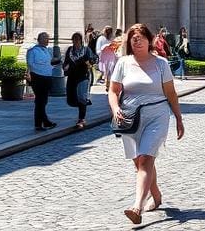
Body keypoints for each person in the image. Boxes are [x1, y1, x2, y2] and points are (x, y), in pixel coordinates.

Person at [108, 23, 185, 226]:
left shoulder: (161, 64)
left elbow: (171, 93)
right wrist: (115, 109)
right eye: (133, 38)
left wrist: (178, 118)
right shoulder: (123, 63)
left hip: (156, 116)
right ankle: (156, 195)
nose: (137, 40)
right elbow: (113, 90)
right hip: (129, 118)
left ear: (149, 40)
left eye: (141, 37)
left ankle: (137, 207)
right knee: (139, 162)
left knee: (145, 160)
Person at [26, 31, 62, 131]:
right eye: (45, 38)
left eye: (48, 38)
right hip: (37, 77)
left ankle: (43, 122)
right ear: (39, 39)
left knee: (43, 101)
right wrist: (41, 69)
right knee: (40, 101)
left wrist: (54, 63)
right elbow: (30, 64)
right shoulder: (33, 51)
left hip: (47, 77)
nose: (47, 40)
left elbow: (49, 62)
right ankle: (41, 123)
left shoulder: (47, 51)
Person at [63, 31, 97, 130]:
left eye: (77, 40)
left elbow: (93, 59)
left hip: (83, 76)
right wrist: (65, 66)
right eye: (74, 40)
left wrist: (89, 63)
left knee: (81, 97)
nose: (76, 42)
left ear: (81, 41)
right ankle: (83, 106)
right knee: (71, 99)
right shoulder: (70, 50)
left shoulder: (86, 50)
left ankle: (81, 119)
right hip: (72, 76)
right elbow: (66, 62)